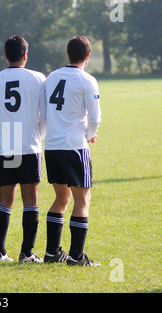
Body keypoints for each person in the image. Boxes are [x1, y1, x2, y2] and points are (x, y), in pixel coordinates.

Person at [0, 35, 46, 263]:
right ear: (25, 55)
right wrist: (38, 136)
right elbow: (45, 114)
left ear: (5, 56)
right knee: (30, 201)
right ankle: (26, 253)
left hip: (4, 147)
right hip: (28, 145)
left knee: (5, 200)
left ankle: (0, 251)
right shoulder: (38, 78)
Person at [40, 36, 101, 266]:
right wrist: (88, 135)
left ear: (68, 54)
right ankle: (76, 257)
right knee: (82, 199)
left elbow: (44, 115)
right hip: (74, 146)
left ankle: (52, 253)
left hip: (53, 146)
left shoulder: (52, 77)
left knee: (61, 197)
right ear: (87, 56)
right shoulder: (87, 80)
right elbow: (95, 118)